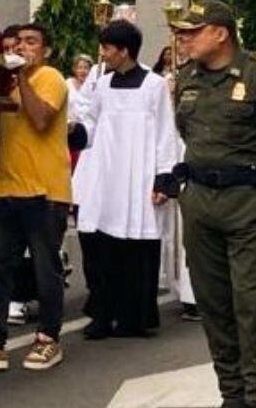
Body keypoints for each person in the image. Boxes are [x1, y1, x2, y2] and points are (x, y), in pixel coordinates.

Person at [170, 0, 256, 408]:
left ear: (221, 33)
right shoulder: (186, 78)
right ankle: (232, 395)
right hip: (199, 200)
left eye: (192, 31)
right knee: (213, 304)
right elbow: (187, 131)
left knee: (252, 303)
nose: (184, 38)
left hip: (248, 202)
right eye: (182, 32)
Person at [0, 23, 70, 372]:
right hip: (5, 189)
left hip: (45, 192)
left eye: (32, 42)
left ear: (45, 50)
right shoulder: (7, 82)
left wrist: (20, 77)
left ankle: (48, 339)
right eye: (19, 42)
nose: (23, 47)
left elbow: (39, 119)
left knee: (45, 268)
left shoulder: (50, 78)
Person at [72, 20, 179, 339]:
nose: (102, 55)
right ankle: (103, 314)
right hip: (106, 176)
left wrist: (163, 180)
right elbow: (90, 123)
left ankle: (135, 317)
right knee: (101, 244)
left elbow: (164, 133)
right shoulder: (102, 85)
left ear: (124, 50)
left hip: (139, 177)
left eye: (107, 48)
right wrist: (75, 132)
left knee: (136, 248)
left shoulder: (154, 85)